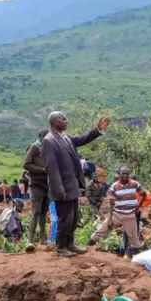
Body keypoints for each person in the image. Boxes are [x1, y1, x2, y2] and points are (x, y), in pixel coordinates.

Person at [41, 111, 110, 258]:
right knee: (64, 219)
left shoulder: (66, 137)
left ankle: (70, 244)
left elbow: (83, 139)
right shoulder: (49, 141)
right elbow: (52, 169)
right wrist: (59, 189)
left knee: (72, 219)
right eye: (63, 119)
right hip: (62, 188)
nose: (67, 120)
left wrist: (97, 130)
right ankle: (60, 248)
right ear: (54, 122)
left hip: (72, 186)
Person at [88, 167, 146, 254]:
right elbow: (111, 203)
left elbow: (144, 195)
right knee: (102, 230)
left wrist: (137, 208)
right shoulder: (114, 186)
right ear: (119, 174)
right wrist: (110, 218)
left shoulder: (135, 184)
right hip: (117, 214)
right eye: (123, 174)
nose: (125, 176)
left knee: (134, 239)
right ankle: (88, 247)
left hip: (130, 215)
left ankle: (137, 257)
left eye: (127, 174)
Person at [24, 129, 50, 249]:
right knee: (36, 211)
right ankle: (30, 241)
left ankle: (42, 239)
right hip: (36, 185)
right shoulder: (34, 147)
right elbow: (26, 164)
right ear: (41, 137)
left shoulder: (47, 149)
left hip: (47, 185)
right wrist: (42, 170)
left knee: (44, 212)